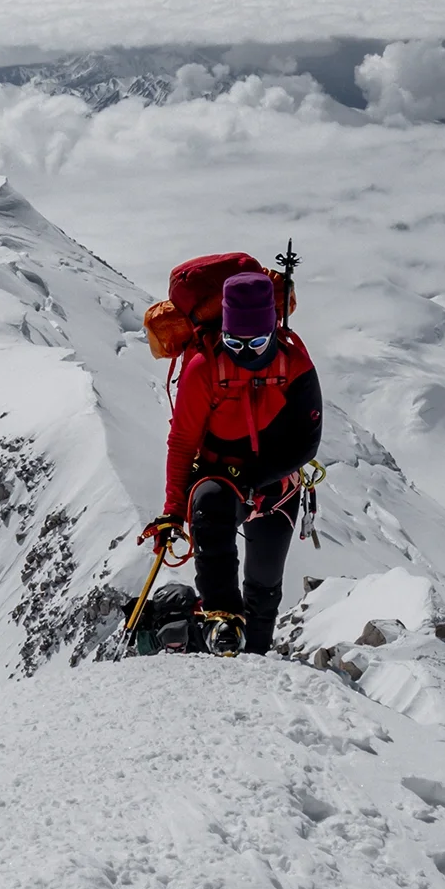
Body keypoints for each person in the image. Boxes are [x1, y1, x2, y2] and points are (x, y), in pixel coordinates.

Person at [147, 271, 322, 655]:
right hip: (224, 477)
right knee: (211, 509)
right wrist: (173, 511)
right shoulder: (204, 367)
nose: (245, 352)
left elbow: (306, 443)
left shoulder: (295, 366)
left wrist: (253, 482)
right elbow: (181, 443)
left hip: (274, 483)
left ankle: (255, 649)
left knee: (264, 578)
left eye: (257, 342)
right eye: (234, 341)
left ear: (273, 331)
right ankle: (221, 620)